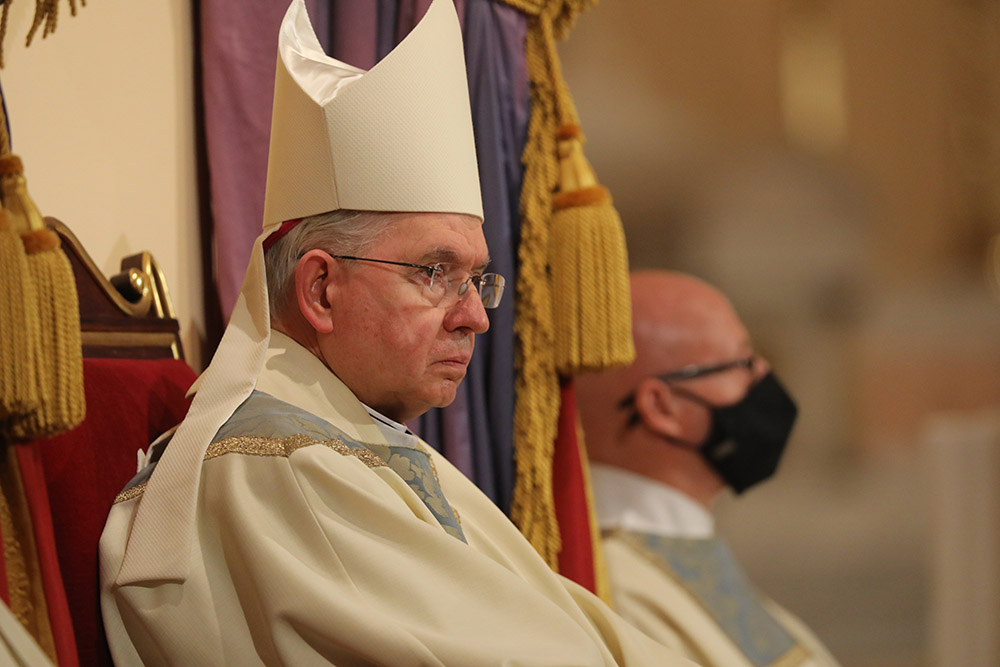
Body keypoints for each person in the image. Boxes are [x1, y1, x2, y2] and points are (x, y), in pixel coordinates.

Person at [98, 2, 693, 665]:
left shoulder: (359, 439)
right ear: (321, 288)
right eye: (435, 272)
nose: (477, 315)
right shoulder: (283, 465)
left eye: (478, 279)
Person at [577, 270, 840, 667]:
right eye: (743, 362)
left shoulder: (683, 544)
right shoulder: (614, 588)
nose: (764, 377)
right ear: (662, 407)